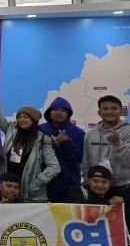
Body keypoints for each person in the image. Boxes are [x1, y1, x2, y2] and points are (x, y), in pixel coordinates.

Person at [0, 81, 60, 202]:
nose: (21, 120)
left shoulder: (42, 139)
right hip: (9, 190)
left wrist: (37, 182)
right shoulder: (11, 129)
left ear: (33, 119)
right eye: (19, 117)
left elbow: (54, 166)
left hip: (32, 194)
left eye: (26, 117)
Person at [82, 95, 130, 225]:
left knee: (124, 227)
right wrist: (87, 183)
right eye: (105, 108)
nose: (109, 111)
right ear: (99, 112)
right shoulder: (90, 134)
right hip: (97, 188)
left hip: (123, 188)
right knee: (99, 226)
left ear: (121, 111)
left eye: (114, 108)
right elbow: (86, 161)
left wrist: (117, 143)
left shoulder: (128, 131)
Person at [39, 97, 85, 202]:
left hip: (69, 184)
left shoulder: (78, 133)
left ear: (68, 113)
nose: (58, 113)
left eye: (63, 110)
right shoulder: (40, 129)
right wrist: (52, 144)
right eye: (55, 109)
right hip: (44, 183)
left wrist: (67, 142)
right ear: (49, 112)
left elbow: (80, 157)